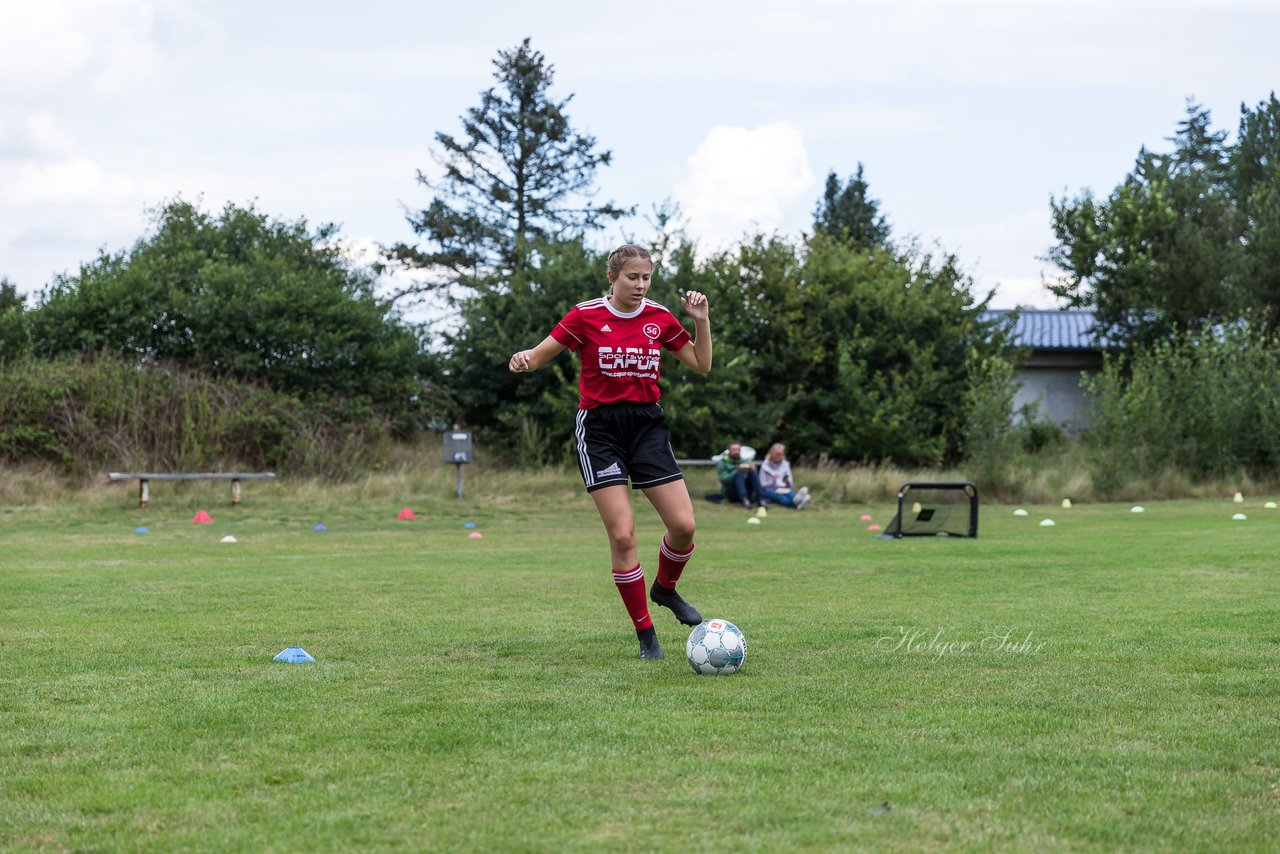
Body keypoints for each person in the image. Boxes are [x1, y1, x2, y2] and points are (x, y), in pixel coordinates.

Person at [508, 244, 712, 660]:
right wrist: (525, 359)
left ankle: (665, 589)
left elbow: (700, 363)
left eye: (646, 277)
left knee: (685, 526)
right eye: (631, 278)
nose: (640, 285)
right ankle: (646, 636)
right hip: (599, 429)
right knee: (622, 535)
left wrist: (702, 323)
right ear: (613, 278)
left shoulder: (659, 317)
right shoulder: (585, 315)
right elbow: (543, 351)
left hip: (646, 427)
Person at [758, 443, 811, 509]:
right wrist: (772, 481)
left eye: (781, 454)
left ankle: (799, 500)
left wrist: (786, 482)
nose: (779, 456)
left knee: (790, 494)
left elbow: (790, 482)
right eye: (777, 454)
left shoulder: (785, 464)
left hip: (782, 488)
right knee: (781, 498)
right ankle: (799, 502)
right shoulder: (765, 465)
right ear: (771, 453)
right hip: (769, 489)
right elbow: (761, 484)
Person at [717, 442, 762, 509]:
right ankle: (744, 500)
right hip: (731, 491)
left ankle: (760, 499)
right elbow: (723, 479)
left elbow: (748, 478)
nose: (736, 452)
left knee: (752, 473)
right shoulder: (723, 462)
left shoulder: (744, 461)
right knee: (739, 473)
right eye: (734, 449)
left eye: (738, 449)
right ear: (729, 451)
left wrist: (752, 470)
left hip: (746, 490)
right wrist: (737, 470)